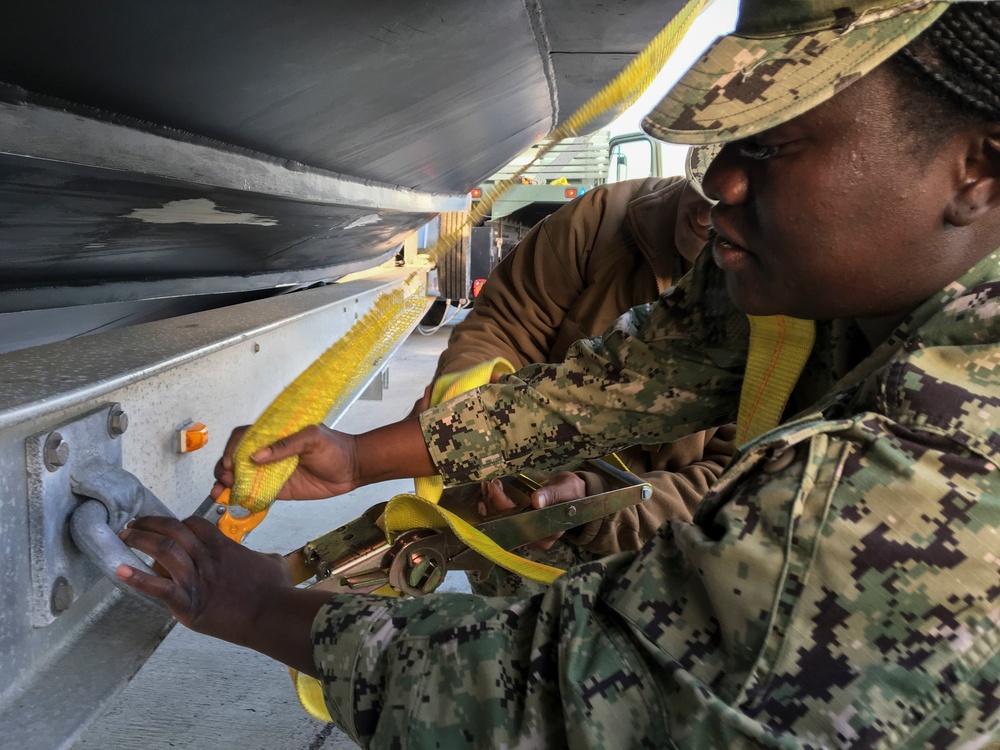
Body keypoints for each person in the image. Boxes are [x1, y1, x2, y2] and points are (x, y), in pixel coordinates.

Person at [118, 1, 1000, 747]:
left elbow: (584, 697)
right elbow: (628, 374)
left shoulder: (942, 467)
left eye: (777, 144)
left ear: (978, 169)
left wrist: (261, 609)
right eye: (736, 140)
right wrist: (364, 459)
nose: (722, 181)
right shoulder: (815, 279)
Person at [422, 148, 734, 596]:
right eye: (702, 189)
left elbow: (731, 483)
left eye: (728, 210)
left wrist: (599, 505)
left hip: (656, 537)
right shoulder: (602, 220)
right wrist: (462, 411)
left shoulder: (784, 314)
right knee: (504, 630)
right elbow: (502, 324)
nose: (704, 216)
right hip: (524, 494)